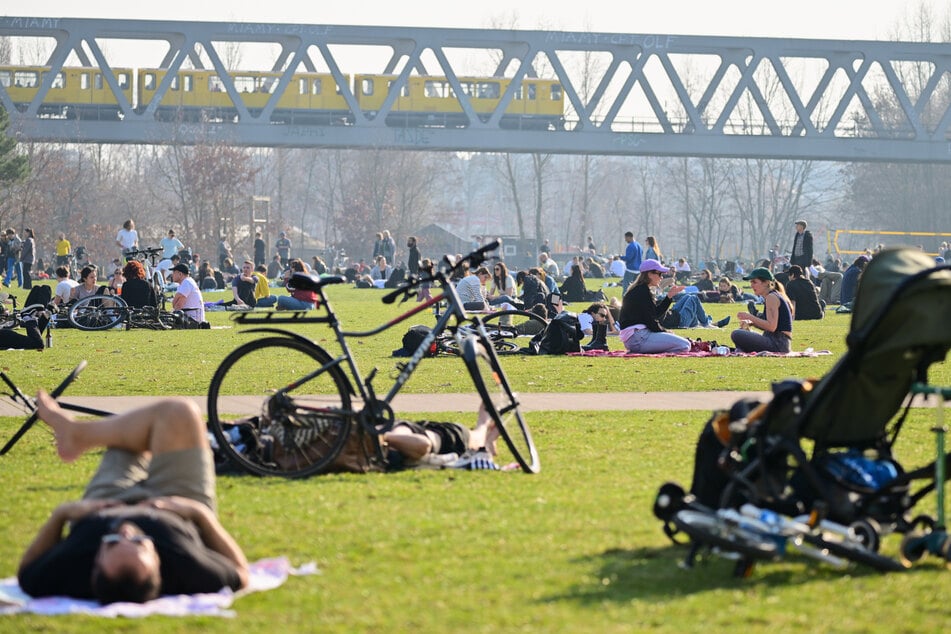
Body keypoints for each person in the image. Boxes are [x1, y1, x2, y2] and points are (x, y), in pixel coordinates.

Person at [17, 392, 249, 603]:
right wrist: (199, 513)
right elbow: (242, 574)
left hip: (106, 501)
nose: (126, 532)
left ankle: (77, 435)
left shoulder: (70, 569)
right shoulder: (190, 569)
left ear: (95, 565)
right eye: (140, 542)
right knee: (180, 412)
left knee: (126, 436)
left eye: (111, 542)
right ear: (158, 564)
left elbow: (26, 571)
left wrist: (63, 514)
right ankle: (78, 435)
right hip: (178, 505)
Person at [617, 259, 691, 354]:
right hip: (638, 338)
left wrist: (669, 297)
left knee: (683, 343)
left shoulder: (640, 289)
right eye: (659, 274)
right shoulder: (642, 292)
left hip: (636, 337)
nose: (661, 277)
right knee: (685, 345)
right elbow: (650, 320)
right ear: (650, 274)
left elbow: (655, 313)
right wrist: (664, 332)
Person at [730, 267, 794, 353]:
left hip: (778, 343)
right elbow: (769, 325)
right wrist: (751, 323)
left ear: (766, 283)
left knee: (736, 334)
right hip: (777, 341)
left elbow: (771, 327)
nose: (751, 285)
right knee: (741, 332)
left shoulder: (771, 297)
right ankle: (740, 350)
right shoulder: (772, 296)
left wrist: (750, 317)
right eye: (751, 282)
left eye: (754, 282)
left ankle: (740, 350)